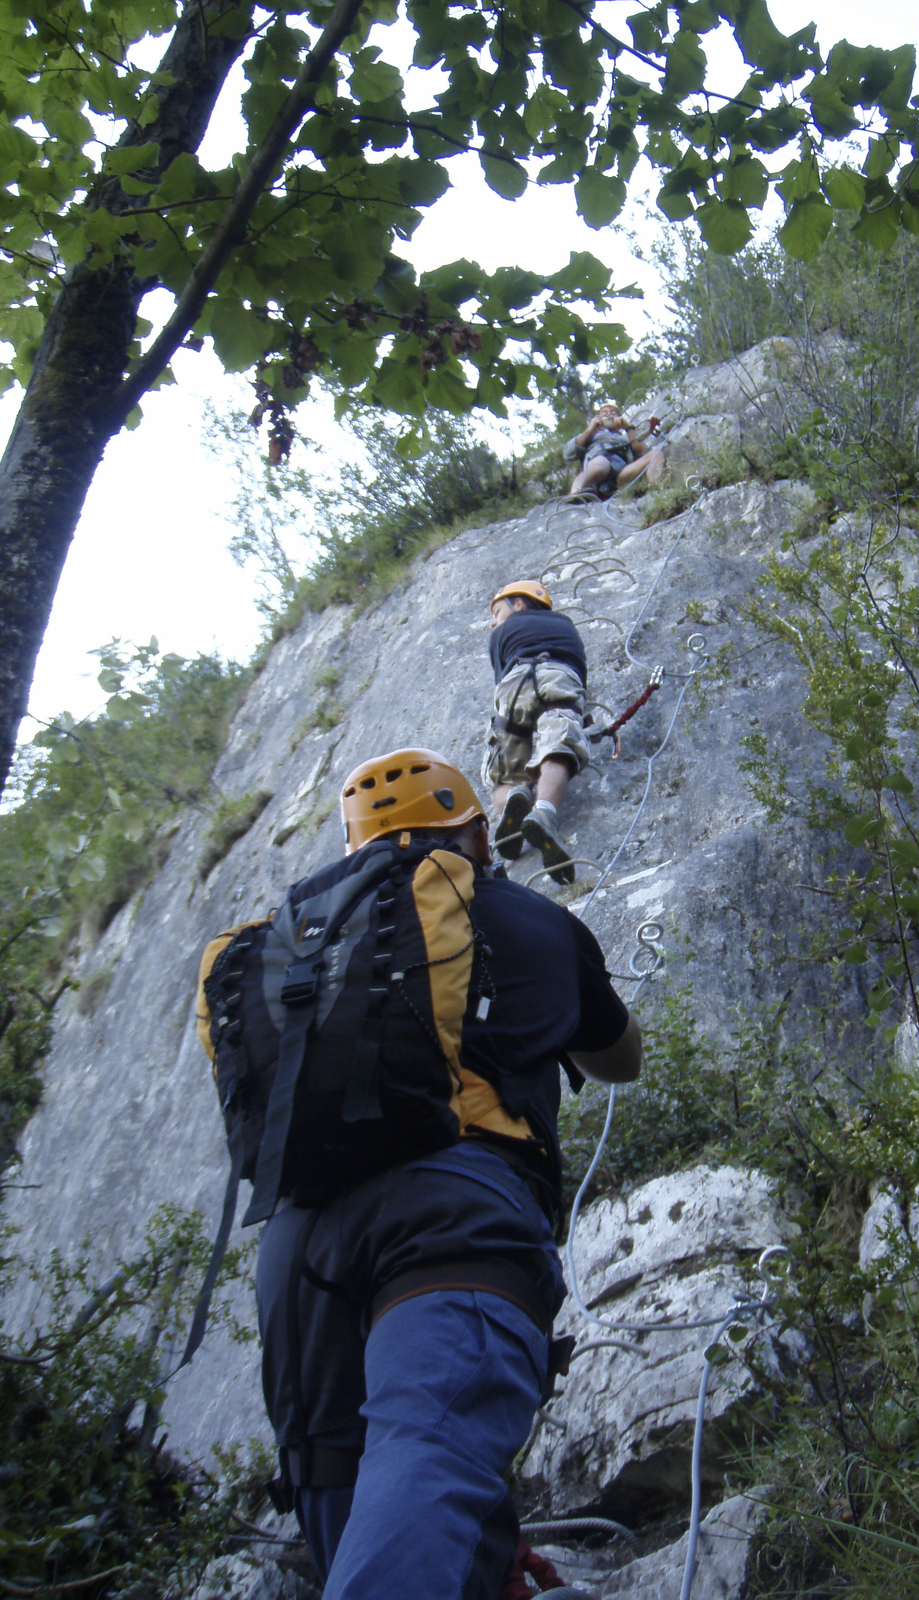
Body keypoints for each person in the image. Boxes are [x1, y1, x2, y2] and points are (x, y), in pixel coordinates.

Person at [197, 749, 641, 1600]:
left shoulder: (297, 938)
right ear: (475, 829)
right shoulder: (525, 918)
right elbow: (619, 1060)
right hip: (452, 1217)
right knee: (431, 1450)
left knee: (339, 1485)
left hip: (297, 1246)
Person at [485, 580, 589, 885]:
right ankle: (543, 812)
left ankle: (517, 794)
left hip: (515, 680)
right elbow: (579, 667)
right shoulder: (565, 624)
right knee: (558, 744)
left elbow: (499, 677)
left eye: (496, 611)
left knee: (506, 769)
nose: (492, 621)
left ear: (518, 604)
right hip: (559, 674)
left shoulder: (500, 634)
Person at [564, 402, 659, 500]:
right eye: (604, 413)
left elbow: (642, 451)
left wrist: (627, 427)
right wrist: (591, 428)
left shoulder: (626, 437)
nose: (609, 415)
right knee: (600, 466)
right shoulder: (591, 435)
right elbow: (569, 454)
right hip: (599, 460)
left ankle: (657, 491)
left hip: (620, 472)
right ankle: (575, 493)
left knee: (656, 454)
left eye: (613, 413)